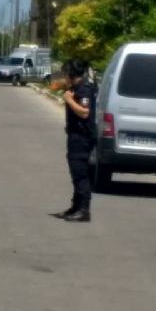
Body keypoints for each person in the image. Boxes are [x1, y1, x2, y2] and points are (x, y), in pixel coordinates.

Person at [52, 58, 96, 222]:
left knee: (80, 174)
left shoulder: (84, 89)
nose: (63, 76)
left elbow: (84, 112)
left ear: (71, 73)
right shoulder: (76, 87)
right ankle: (75, 207)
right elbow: (56, 84)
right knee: (76, 173)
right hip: (75, 136)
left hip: (82, 138)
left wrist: (69, 100)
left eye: (65, 73)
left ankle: (84, 210)